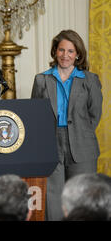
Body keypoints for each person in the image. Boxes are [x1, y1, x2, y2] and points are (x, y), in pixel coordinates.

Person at [31, 30, 103, 221]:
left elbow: (95, 114)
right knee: (52, 198)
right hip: (50, 143)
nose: (65, 55)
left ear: (78, 54)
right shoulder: (41, 80)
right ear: (55, 52)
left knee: (81, 198)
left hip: (82, 143)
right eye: (61, 50)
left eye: (71, 51)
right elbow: (35, 115)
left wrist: (81, 132)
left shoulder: (90, 80)